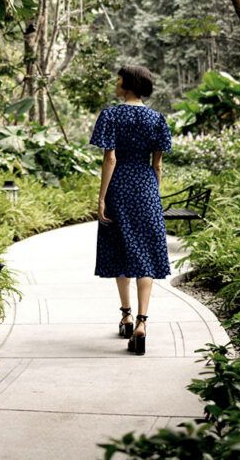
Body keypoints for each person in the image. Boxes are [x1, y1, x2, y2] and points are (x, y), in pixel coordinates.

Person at [88, 65, 173, 356]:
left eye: (119, 78)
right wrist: (154, 195)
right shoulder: (157, 118)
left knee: (121, 248)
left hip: (119, 186)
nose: (116, 81)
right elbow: (158, 164)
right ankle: (141, 322)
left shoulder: (111, 114)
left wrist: (101, 198)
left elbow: (109, 159)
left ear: (128, 84)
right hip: (146, 187)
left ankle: (125, 314)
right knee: (145, 254)